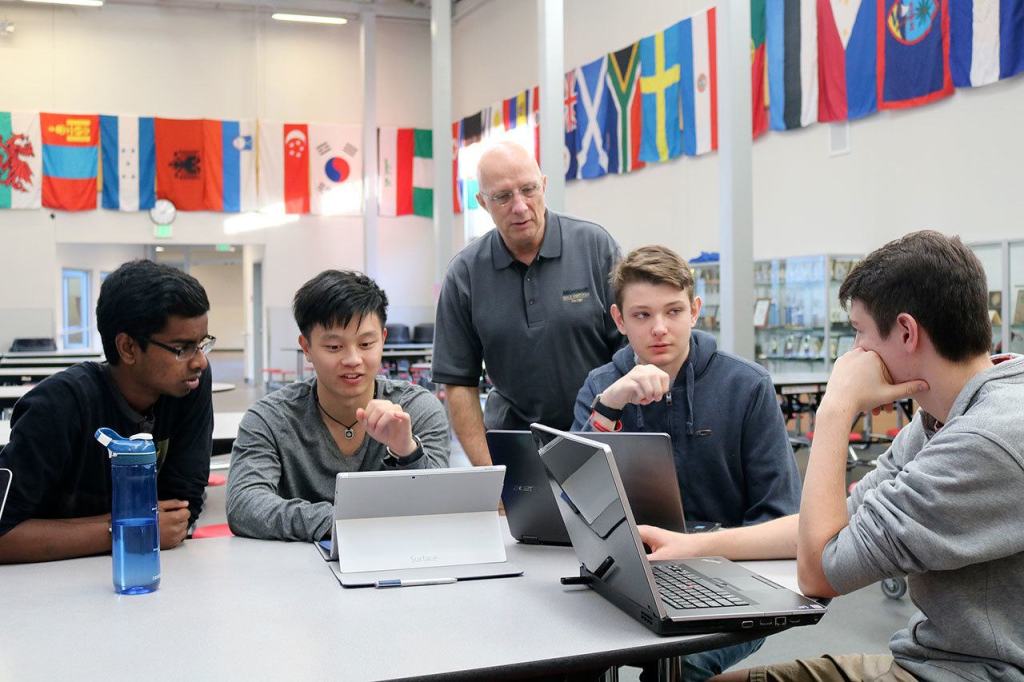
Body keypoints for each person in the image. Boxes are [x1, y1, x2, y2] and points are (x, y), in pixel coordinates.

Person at [640, 231, 1024, 681]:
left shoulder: (983, 440)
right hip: (928, 658)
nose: (854, 354)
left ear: (905, 332)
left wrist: (835, 409)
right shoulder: (939, 418)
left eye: (859, 333)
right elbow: (837, 523)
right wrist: (696, 546)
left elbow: (819, 572)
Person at [573, 245, 801, 680]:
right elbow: (576, 505)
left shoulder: (746, 387)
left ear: (695, 311)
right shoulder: (601, 386)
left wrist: (704, 552)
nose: (660, 329)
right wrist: (611, 405)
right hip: (628, 574)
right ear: (619, 320)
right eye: (642, 315)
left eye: (673, 311)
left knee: (677, 671)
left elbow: (782, 518)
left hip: (731, 577)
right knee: (567, 661)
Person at [0, 259, 215, 563]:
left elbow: (179, 509)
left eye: (202, 344)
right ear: (128, 348)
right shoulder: (57, 406)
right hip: (49, 580)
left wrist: (102, 528)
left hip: (143, 568)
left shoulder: (190, 385)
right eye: (183, 348)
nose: (199, 362)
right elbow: (4, 533)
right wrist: (124, 529)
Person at [432, 140, 622, 465]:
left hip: (601, 435)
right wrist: (490, 474)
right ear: (482, 201)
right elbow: (458, 383)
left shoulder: (596, 247)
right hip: (515, 445)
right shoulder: (465, 274)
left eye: (529, 190)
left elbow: (630, 353)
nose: (519, 206)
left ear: (544, 185)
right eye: (503, 197)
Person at [227, 270, 450, 542]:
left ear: (383, 339)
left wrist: (406, 452)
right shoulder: (270, 419)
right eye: (334, 347)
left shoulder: (416, 410)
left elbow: (439, 507)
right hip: (293, 575)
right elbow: (244, 504)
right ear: (306, 347)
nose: (353, 359)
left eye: (366, 343)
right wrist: (343, 522)